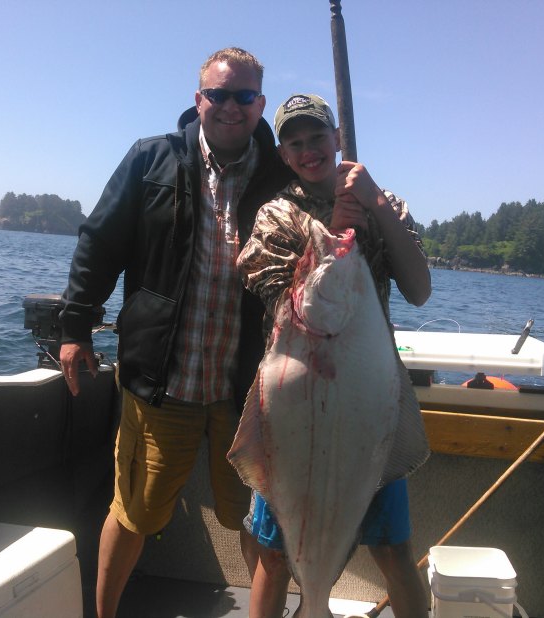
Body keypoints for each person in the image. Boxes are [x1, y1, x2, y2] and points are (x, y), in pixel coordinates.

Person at [58, 48, 294, 618]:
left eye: (243, 97)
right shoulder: (150, 159)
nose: (230, 107)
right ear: (198, 100)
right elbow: (99, 242)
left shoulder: (283, 176)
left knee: (262, 524)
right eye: (218, 94)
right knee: (134, 510)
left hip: (251, 394)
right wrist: (75, 326)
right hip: (166, 381)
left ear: (260, 104)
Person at [236, 94, 432, 617]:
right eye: (295, 143)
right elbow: (280, 298)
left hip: (367, 409)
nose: (308, 150)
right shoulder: (276, 214)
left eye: (317, 137)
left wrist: (376, 207)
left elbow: (418, 289)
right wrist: (330, 240)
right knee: (275, 559)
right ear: (283, 154)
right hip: (296, 412)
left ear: (337, 138)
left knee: (394, 552)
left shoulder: (383, 200)